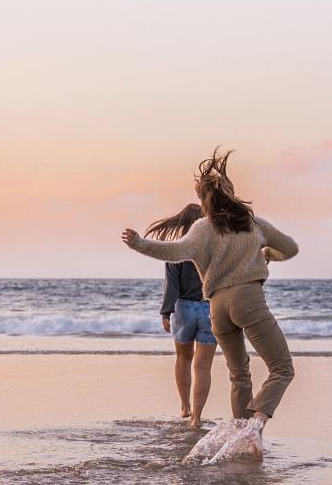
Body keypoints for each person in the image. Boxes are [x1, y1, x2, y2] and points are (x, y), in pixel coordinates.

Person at [120, 148, 298, 461]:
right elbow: (292, 248)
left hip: (217, 307)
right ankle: (255, 425)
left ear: (206, 201)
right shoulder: (254, 224)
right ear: (232, 195)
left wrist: (139, 244)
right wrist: (269, 255)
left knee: (239, 374)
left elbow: (174, 252)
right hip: (247, 299)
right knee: (282, 368)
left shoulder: (203, 228)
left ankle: (248, 442)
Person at [148, 203, 217, 429]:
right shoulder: (213, 248)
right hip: (210, 308)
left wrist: (166, 312)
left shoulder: (177, 249)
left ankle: (185, 406)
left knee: (183, 358)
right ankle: (197, 417)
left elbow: (172, 287)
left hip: (183, 309)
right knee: (203, 366)